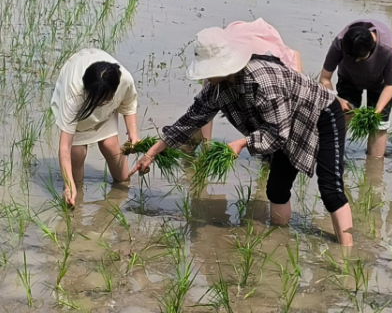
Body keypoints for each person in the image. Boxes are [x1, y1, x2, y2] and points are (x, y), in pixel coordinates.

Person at [130, 28, 354, 246]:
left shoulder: (262, 80)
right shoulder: (217, 87)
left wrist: (242, 143)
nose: (206, 77)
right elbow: (190, 120)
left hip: (321, 114)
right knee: (276, 188)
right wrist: (150, 154)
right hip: (283, 123)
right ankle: (279, 241)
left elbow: (278, 132)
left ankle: (347, 253)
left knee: (330, 188)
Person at [51, 48, 139, 207]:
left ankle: (118, 198)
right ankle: (75, 198)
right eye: (97, 99)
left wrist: (133, 134)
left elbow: (129, 104)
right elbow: (65, 146)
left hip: (106, 110)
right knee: (76, 154)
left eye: (104, 98)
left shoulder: (124, 80)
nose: (100, 103)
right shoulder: (74, 92)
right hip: (81, 112)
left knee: (111, 148)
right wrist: (68, 185)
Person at [198, 18, 302, 142]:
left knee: (286, 116)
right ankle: (198, 143)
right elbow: (202, 111)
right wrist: (206, 147)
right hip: (238, 37)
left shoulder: (265, 72)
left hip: (262, 44)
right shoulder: (219, 62)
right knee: (209, 93)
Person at [319, 20, 392, 157]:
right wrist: (336, 99)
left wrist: (377, 110)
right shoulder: (339, 42)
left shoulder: (387, 49)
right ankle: (334, 156)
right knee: (343, 114)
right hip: (349, 78)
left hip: (379, 83)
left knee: (378, 126)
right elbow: (324, 78)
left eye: (360, 59)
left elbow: (391, 85)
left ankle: (374, 168)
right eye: (351, 58)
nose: (356, 62)